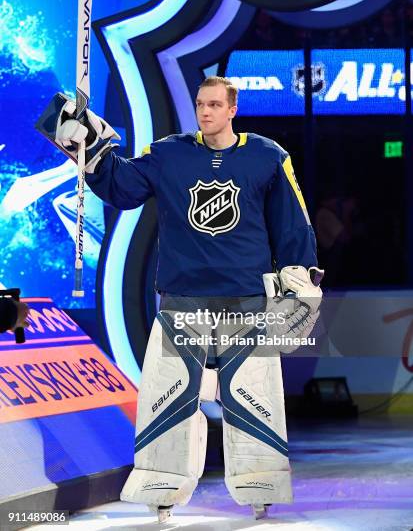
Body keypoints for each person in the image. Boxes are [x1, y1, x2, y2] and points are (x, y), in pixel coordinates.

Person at [36, 76, 323, 521]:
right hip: (182, 301)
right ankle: (161, 489)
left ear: (232, 109)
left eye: (214, 104)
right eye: (200, 104)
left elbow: (292, 223)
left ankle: (260, 486)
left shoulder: (267, 156)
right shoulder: (168, 152)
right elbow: (123, 188)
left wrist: (301, 277)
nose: (205, 112)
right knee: (168, 396)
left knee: (253, 397)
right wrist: (87, 147)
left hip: (245, 301)